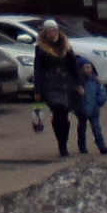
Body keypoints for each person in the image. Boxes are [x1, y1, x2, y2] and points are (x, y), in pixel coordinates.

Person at [31, 20, 82, 158]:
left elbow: (74, 66)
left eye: (54, 30)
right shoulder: (41, 48)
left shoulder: (65, 46)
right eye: (49, 31)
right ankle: (61, 145)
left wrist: (79, 84)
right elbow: (38, 70)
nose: (52, 33)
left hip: (66, 85)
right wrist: (37, 90)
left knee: (64, 115)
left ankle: (64, 142)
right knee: (58, 109)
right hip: (50, 86)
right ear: (45, 33)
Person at [72, 53, 107, 156]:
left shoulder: (95, 81)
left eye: (90, 67)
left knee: (96, 128)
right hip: (82, 110)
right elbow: (73, 97)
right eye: (86, 68)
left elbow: (102, 92)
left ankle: (101, 146)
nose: (89, 70)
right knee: (82, 128)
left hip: (94, 109)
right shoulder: (78, 83)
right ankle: (82, 146)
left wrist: (99, 101)